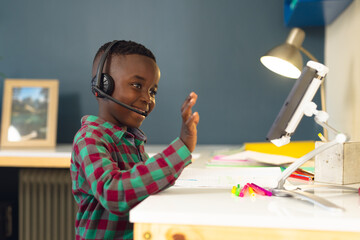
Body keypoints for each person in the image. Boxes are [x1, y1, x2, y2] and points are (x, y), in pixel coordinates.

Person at [70, 40, 199, 240]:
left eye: (152, 91)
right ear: (103, 85)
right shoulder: (89, 138)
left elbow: (144, 185)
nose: (147, 98)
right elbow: (113, 193)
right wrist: (181, 148)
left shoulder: (131, 140)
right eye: (137, 85)